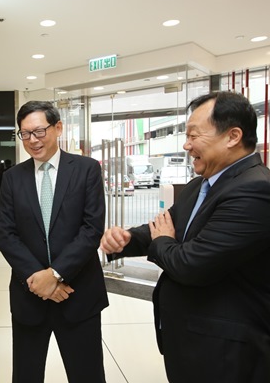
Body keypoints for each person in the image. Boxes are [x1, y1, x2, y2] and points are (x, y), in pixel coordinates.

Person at [100, 91, 270, 382]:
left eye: (194, 135)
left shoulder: (255, 190)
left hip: (226, 349)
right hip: (189, 338)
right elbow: (165, 228)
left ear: (233, 136)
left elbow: (191, 264)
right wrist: (126, 240)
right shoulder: (197, 185)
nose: (186, 145)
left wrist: (162, 241)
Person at [0, 101, 108, 383]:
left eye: (39, 131)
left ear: (58, 128)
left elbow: (91, 229)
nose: (32, 141)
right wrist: (39, 280)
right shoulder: (11, 178)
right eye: (25, 134)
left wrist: (56, 274)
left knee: (87, 374)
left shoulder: (86, 169)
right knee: (26, 375)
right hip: (29, 295)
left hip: (78, 293)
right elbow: (7, 235)